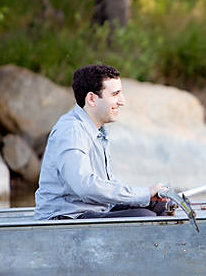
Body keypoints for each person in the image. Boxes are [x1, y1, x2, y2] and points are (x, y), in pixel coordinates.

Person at [34, 63, 169, 221]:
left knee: (157, 205)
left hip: (94, 210)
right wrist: (143, 193)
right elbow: (84, 186)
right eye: (115, 94)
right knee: (143, 217)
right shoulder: (71, 131)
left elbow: (107, 184)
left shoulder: (98, 132)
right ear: (92, 99)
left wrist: (147, 196)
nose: (122, 101)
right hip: (67, 217)